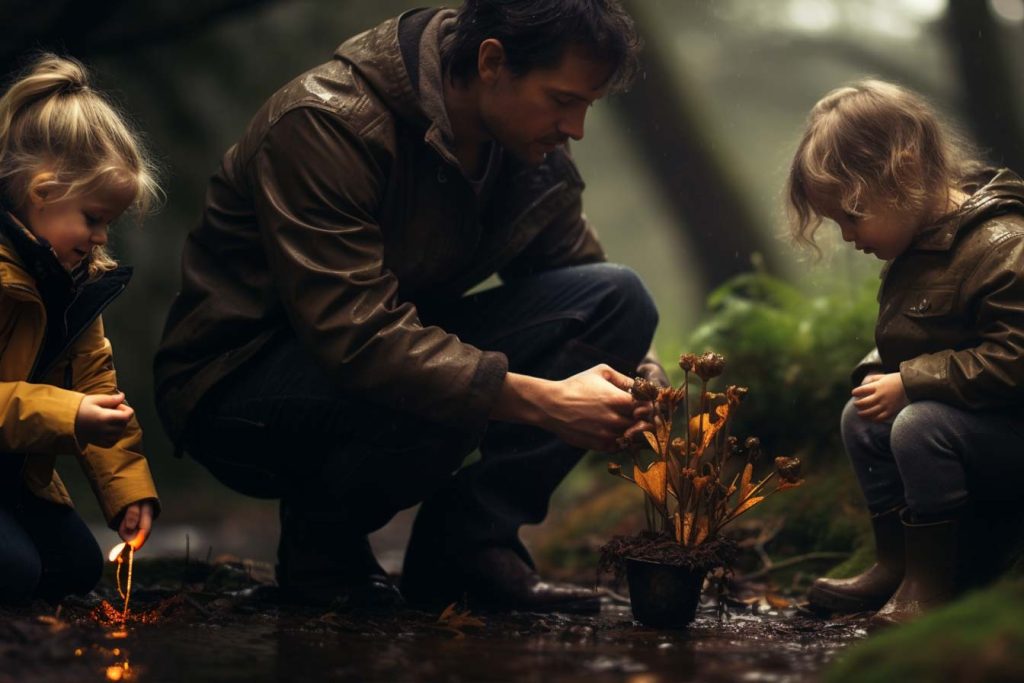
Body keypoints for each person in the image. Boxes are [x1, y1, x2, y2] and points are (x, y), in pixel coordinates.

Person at [154, 0, 664, 613]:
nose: (576, 127)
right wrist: (543, 399)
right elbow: (358, 337)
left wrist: (642, 380)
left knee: (618, 301)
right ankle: (325, 555)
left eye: (587, 105)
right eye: (562, 101)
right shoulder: (326, 122)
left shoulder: (525, 145)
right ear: (492, 62)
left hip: (381, 351)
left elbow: (578, 276)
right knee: (436, 379)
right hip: (238, 385)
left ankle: (470, 550)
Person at [787, 79, 1024, 626]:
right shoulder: (921, 243)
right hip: (971, 418)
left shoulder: (1003, 245)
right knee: (862, 415)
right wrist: (881, 371)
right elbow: (920, 334)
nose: (847, 235)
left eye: (852, 213)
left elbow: (1015, 358)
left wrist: (912, 381)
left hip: (1010, 426)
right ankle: (896, 561)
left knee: (915, 424)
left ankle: (933, 583)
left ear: (906, 169)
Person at [0, 54, 161, 605]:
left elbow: (96, 382)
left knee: (75, 568)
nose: (99, 239)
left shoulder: (74, 281)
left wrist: (127, 493)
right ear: (42, 192)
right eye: (93, 218)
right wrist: (67, 414)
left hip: (13, 477)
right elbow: (75, 408)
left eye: (108, 225)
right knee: (16, 573)